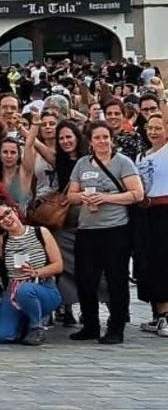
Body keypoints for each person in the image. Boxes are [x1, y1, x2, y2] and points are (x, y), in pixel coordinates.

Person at [66, 122, 144, 343]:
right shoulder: (82, 164)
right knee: (85, 278)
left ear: (112, 139)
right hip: (87, 229)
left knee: (116, 279)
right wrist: (84, 197)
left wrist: (106, 197)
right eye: (97, 138)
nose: (102, 141)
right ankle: (90, 325)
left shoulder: (123, 163)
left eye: (105, 137)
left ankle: (116, 327)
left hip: (115, 229)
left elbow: (136, 194)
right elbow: (71, 195)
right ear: (90, 142)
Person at [0, 199, 64, 345]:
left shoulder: (40, 232)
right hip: (13, 291)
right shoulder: (2, 242)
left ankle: (36, 328)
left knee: (25, 290)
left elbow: (58, 265)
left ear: (14, 210)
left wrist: (36, 272)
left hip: (43, 287)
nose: (6, 219)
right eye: (0, 218)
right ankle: (23, 323)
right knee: (1, 336)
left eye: (7, 213)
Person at [136, 112, 168, 337]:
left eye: (158, 128)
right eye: (150, 128)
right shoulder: (140, 156)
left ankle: (165, 315)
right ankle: (156, 314)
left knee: (163, 261)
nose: (153, 132)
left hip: (165, 211)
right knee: (148, 262)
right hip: (145, 212)